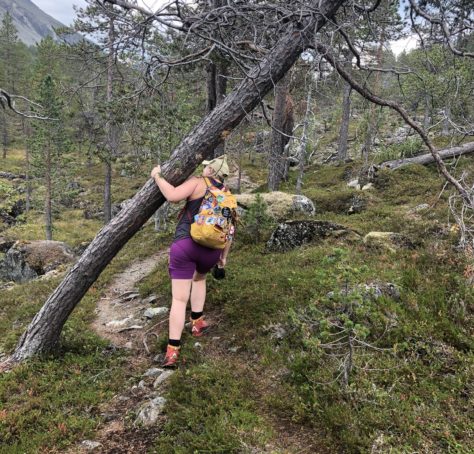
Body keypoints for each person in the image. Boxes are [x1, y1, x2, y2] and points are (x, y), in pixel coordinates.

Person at [150, 155, 233, 368]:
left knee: (179, 299)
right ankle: (197, 322)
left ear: (211, 171)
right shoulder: (227, 196)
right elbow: (229, 231)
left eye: (207, 168)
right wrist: (223, 257)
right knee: (199, 279)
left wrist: (157, 176)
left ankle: (173, 351)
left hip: (186, 245)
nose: (204, 169)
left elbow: (172, 195)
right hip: (212, 251)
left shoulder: (198, 183)